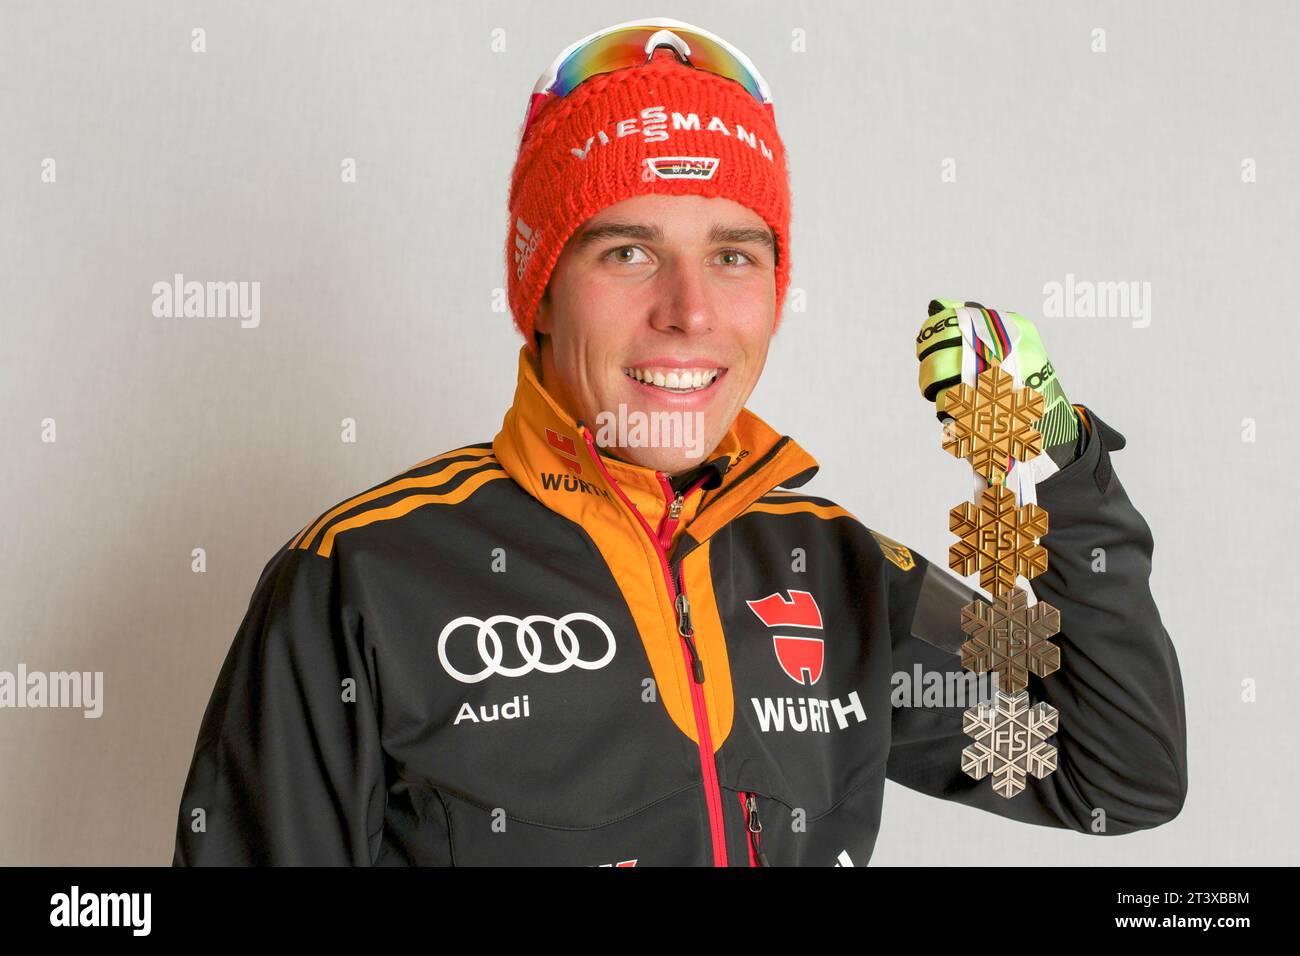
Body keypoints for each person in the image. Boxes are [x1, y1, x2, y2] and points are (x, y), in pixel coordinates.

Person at [173, 17, 1186, 866]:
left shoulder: (834, 565)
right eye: (628, 250)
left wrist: (1056, 453)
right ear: (538, 287)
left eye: (733, 254)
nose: (690, 312)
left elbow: (1113, 767)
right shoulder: (359, 576)